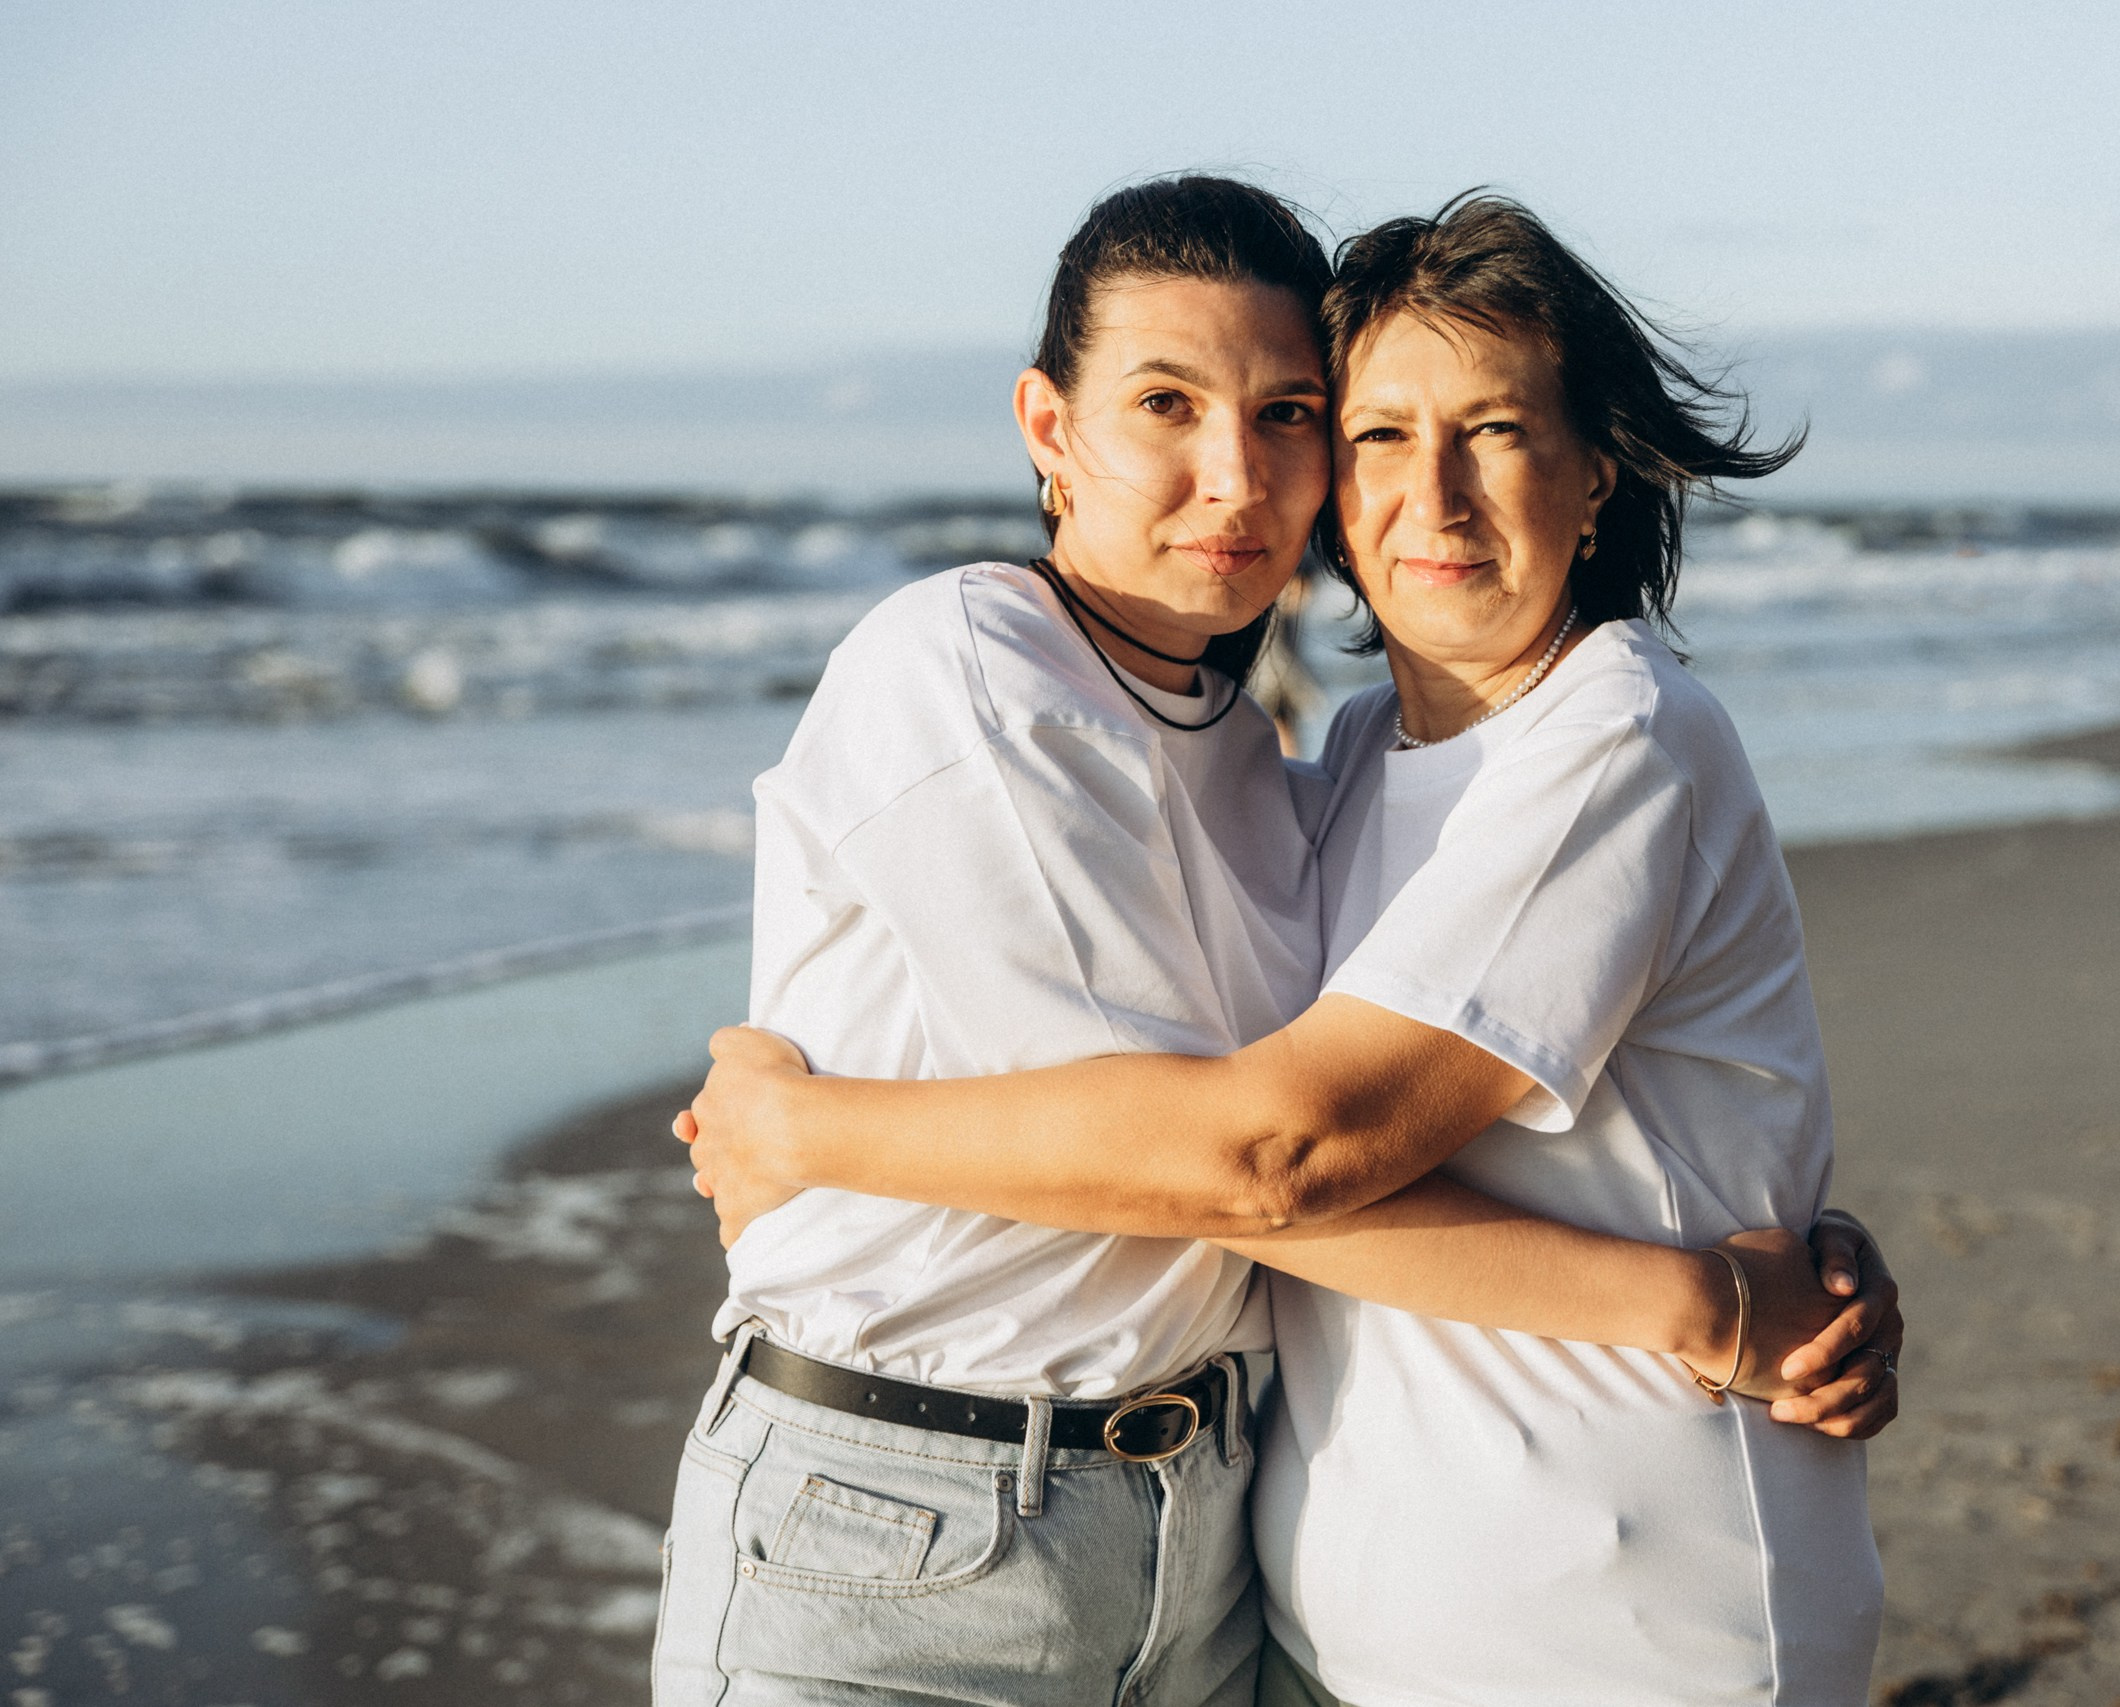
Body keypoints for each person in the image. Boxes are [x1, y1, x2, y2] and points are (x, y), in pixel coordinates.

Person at [684, 193, 1895, 1706]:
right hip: (1068, 1557)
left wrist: (810, 1129)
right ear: (1047, 428)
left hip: (1599, 1620)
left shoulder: (1586, 743)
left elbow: (1259, 1158)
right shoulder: (1282, 744)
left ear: (1596, 473)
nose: (1431, 499)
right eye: (1380, 433)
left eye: (1494, 433)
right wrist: (1700, 1298)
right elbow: (1225, 1152)